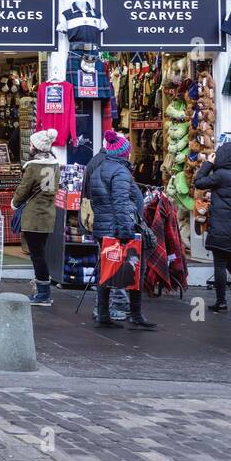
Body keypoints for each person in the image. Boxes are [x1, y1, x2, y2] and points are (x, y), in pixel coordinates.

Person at [83, 129, 154, 330]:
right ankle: (135, 313)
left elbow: (98, 201)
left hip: (103, 227)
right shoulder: (120, 171)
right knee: (135, 269)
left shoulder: (100, 169)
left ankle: (104, 313)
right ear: (124, 153)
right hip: (117, 227)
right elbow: (121, 202)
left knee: (106, 270)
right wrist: (126, 232)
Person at [193, 142, 231, 313]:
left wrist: (208, 164)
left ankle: (221, 301)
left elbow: (199, 182)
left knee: (220, 263)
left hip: (222, 226)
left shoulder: (222, 175)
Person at [11, 128, 60, 307]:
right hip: (48, 215)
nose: (29, 146)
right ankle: (42, 289)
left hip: (33, 216)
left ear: (37, 147)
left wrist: (14, 204)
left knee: (36, 255)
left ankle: (43, 293)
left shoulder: (32, 167)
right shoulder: (55, 165)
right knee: (41, 253)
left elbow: (22, 191)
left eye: (31, 144)